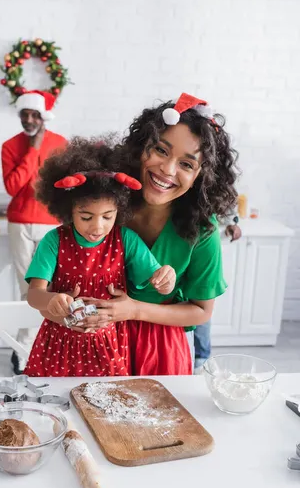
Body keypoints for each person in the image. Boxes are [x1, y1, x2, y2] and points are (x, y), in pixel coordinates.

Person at [71, 93, 239, 375]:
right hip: (93, 341)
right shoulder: (103, 200)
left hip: (159, 351)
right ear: (141, 147)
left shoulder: (201, 228)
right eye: (161, 150)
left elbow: (201, 310)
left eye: (186, 164)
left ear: (202, 176)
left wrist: (134, 310)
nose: (167, 169)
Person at [23, 139, 177, 377]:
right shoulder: (54, 241)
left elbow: (161, 285)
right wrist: (51, 300)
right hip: (58, 346)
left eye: (108, 216)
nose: (97, 226)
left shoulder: (125, 239)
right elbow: (34, 295)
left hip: (109, 346)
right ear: (68, 210)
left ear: (120, 210)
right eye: (86, 217)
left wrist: (167, 278)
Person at [1, 90, 67, 375]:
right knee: (26, 290)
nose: (28, 119)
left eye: (34, 114)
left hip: (52, 224)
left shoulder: (61, 144)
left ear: (43, 116)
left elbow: (64, 186)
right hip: (20, 224)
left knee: (47, 290)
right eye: (24, 114)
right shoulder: (10, 146)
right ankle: (23, 351)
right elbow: (13, 187)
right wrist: (33, 150)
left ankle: (30, 348)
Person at [193, 216, 242, 373]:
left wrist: (231, 225)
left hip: (204, 245)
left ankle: (201, 361)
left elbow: (227, 214)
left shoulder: (209, 225)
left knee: (200, 310)